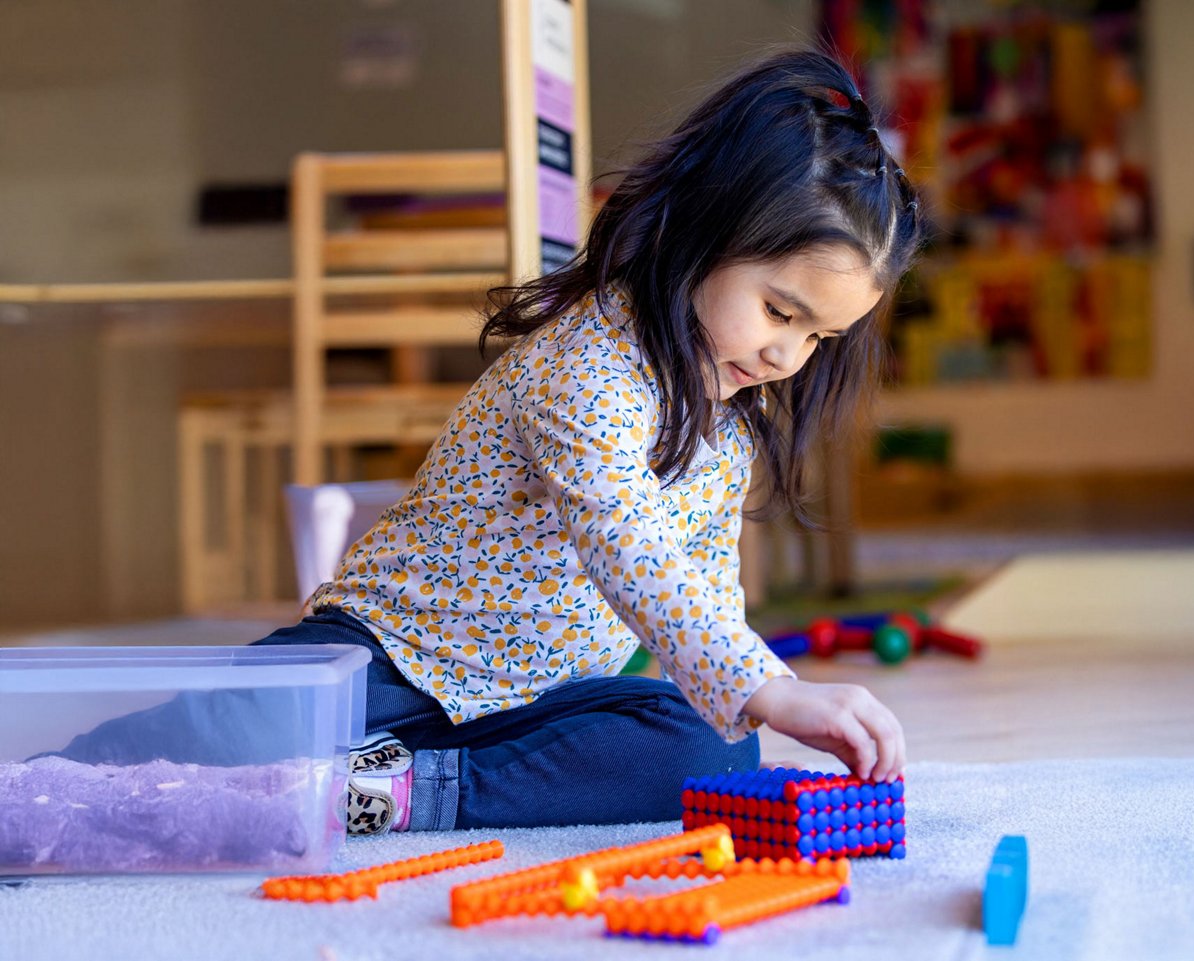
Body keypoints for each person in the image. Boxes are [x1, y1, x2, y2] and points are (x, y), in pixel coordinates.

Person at [61, 47, 922, 836]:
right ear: (704, 231)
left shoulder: (728, 428)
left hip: (525, 712)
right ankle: (41, 782)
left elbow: (701, 594)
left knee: (709, 748)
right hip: (385, 664)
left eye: (817, 338)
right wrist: (771, 685)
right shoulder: (588, 367)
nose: (785, 355)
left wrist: (754, 692)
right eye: (780, 310)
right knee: (196, 736)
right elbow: (628, 546)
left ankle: (403, 793)